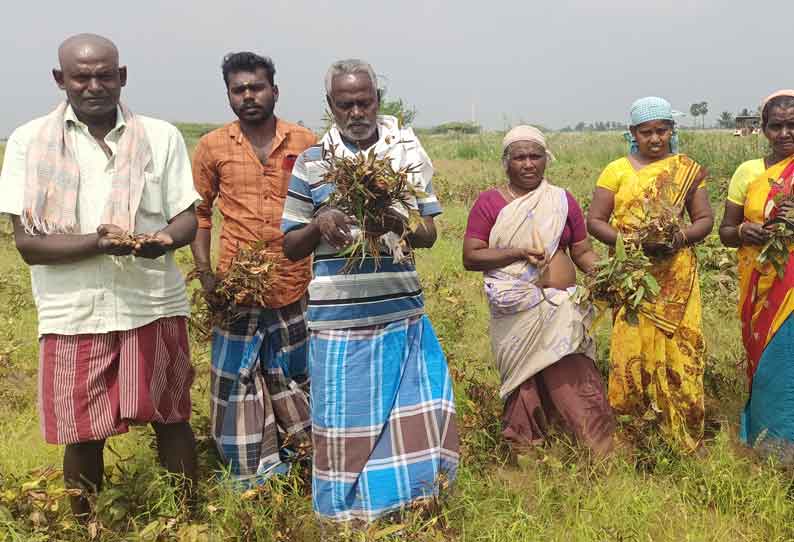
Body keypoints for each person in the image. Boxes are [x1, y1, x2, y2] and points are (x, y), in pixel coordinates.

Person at [0, 34, 199, 517]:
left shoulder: (160, 135)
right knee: (82, 430)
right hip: (73, 312)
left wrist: (162, 242)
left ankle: (190, 516)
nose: (94, 86)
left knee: (170, 418)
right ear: (60, 80)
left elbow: (186, 219)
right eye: (81, 76)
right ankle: (85, 523)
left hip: (150, 302)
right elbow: (28, 245)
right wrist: (98, 242)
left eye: (104, 75)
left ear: (122, 76)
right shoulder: (29, 141)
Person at [281, 59, 459, 522]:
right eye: (346, 104)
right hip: (338, 321)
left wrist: (399, 224)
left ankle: (409, 506)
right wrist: (320, 223)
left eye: (365, 101)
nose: (356, 112)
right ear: (330, 106)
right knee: (345, 425)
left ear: (378, 100)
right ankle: (345, 517)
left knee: (414, 415)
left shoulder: (405, 156)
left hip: (402, 312)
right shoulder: (312, 163)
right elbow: (290, 245)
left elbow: (429, 234)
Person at [191, 52, 316, 484]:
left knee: (294, 376)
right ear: (229, 95)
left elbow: (324, 211)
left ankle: (302, 460)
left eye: (256, 87)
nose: (248, 96)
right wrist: (207, 276)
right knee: (236, 381)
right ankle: (250, 469)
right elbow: (201, 216)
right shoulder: (212, 146)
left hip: (293, 282)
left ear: (274, 91)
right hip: (236, 286)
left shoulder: (305, 142)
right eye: (238, 89)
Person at [462, 126, 615, 455]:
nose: (528, 163)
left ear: (547, 159)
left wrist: (604, 275)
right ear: (506, 163)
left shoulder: (561, 200)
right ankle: (527, 454)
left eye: (535, 156)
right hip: (516, 314)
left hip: (563, 310)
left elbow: (582, 250)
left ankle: (594, 451)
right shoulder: (489, 202)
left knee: (575, 378)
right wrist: (517, 252)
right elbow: (472, 255)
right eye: (519, 157)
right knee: (524, 382)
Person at [587, 97, 714, 452]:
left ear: (672, 130)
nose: (656, 139)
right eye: (647, 132)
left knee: (682, 351)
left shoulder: (687, 169)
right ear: (633, 133)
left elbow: (704, 220)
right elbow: (595, 221)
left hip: (676, 274)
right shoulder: (616, 170)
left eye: (662, 130)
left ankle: (685, 433)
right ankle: (636, 435)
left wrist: (678, 238)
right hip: (632, 275)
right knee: (631, 350)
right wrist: (631, 243)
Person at [719, 90, 794, 452]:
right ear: (763, 129)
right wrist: (744, 232)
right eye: (776, 126)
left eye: (792, 125)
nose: (784, 134)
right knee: (771, 366)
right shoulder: (747, 173)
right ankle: (773, 447)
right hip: (763, 288)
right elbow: (725, 233)